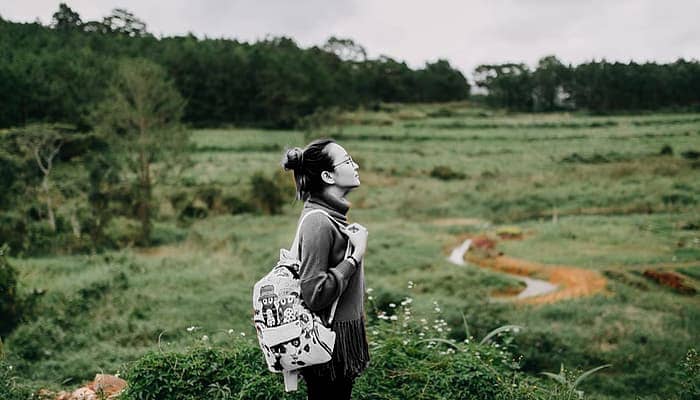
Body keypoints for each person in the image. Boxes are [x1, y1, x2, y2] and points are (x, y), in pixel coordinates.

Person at [281, 138, 370, 400]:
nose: (355, 165)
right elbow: (314, 293)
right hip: (329, 344)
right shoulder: (318, 221)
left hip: (338, 340)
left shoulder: (331, 216)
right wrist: (355, 256)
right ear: (328, 175)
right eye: (347, 161)